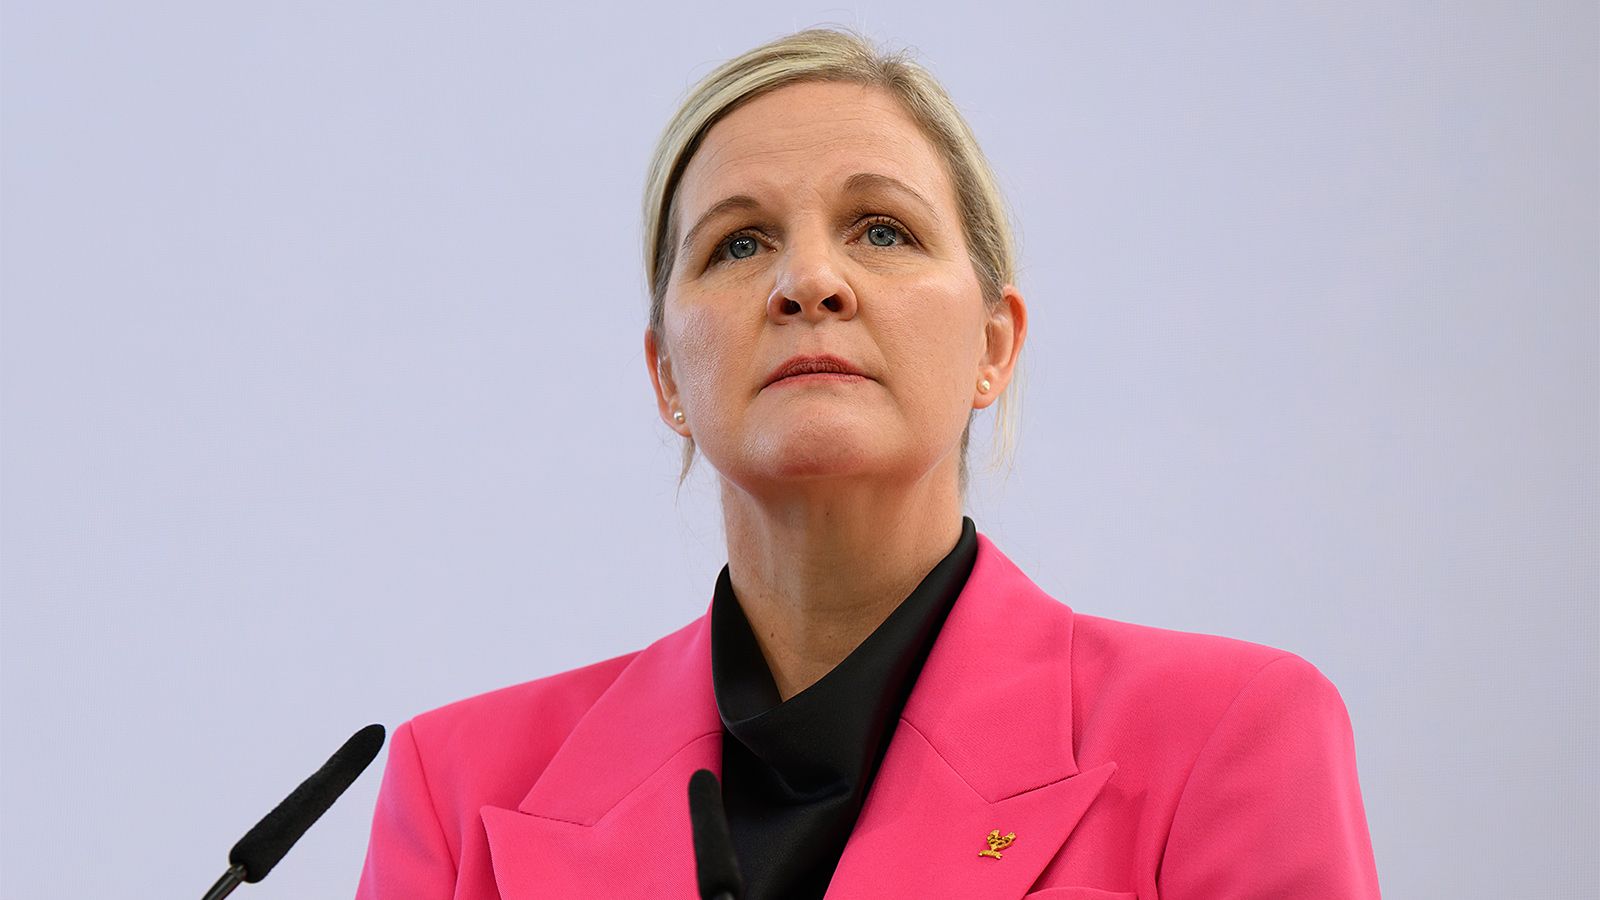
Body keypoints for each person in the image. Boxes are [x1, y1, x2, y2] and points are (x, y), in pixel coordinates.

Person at [355, 27, 1381, 899]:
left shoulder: (1228, 735)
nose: (809, 280)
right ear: (667, 375)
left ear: (993, 347)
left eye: (881, 231)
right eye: (738, 244)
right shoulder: (457, 791)